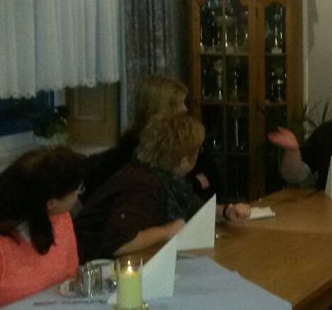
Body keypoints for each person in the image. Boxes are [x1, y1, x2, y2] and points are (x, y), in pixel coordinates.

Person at [74, 112, 250, 262]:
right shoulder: (142, 186)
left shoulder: (163, 178)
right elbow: (119, 243)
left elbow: (193, 209)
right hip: (89, 266)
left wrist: (225, 211)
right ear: (184, 161)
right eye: (198, 151)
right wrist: (167, 231)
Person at [0, 146, 86, 310]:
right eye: (77, 190)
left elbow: (70, 281)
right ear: (50, 203)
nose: (78, 195)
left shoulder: (60, 218)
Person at [81, 74, 222, 202]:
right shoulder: (133, 150)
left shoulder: (186, 138)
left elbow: (214, 181)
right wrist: (196, 183)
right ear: (159, 109)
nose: (185, 109)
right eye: (178, 104)